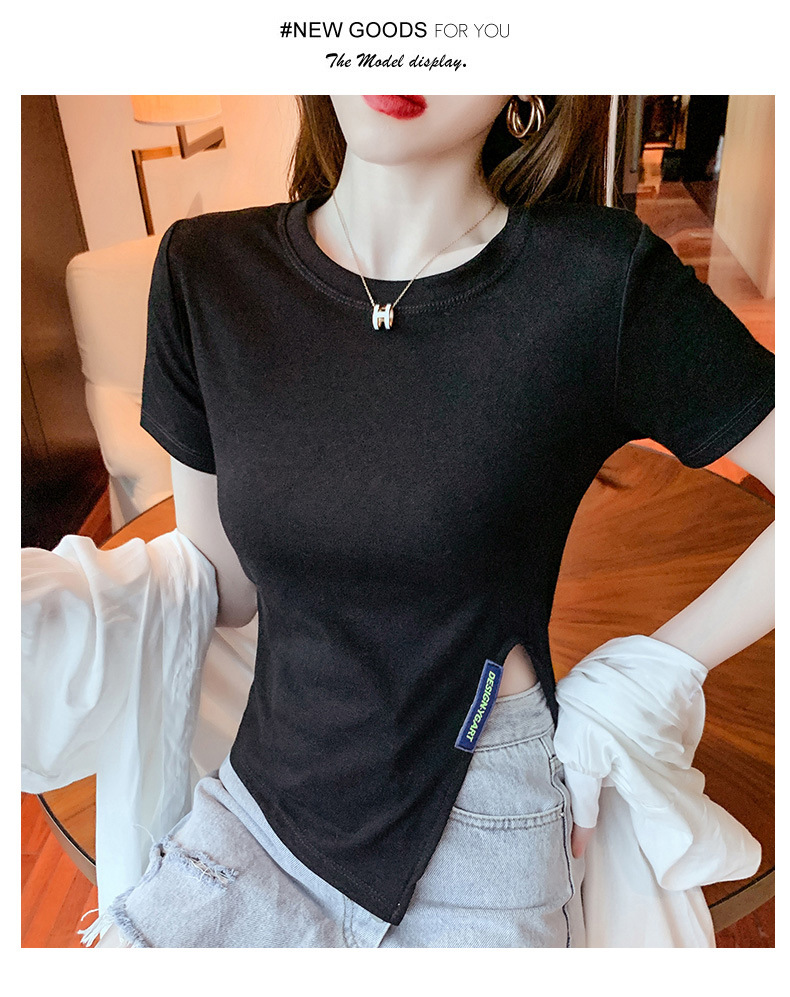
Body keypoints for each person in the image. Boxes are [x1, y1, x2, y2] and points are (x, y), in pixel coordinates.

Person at [94, 95, 774, 947]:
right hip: (267, 808)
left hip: (481, 815)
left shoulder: (597, 279)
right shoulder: (206, 272)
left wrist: (644, 678)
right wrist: (76, 607)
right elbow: (224, 590)